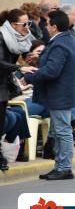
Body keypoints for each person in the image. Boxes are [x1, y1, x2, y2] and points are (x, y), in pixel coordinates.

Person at [23, 10, 75, 180]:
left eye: (48, 24)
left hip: (59, 95)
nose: (46, 26)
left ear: (54, 27)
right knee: (61, 131)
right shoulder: (68, 39)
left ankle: (64, 167)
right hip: (64, 93)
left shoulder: (60, 44)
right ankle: (61, 166)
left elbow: (52, 71)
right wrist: (38, 61)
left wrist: (29, 77)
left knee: (63, 131)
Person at [0, 9, 37, 170]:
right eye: (24, 23)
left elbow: (36, 38)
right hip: (1, 83)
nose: (27, 27)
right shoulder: (2, 37)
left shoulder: (16, 38)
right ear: (13, 25)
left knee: (2, 120)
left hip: (4, 84)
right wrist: (19, 67)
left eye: (29, 22)